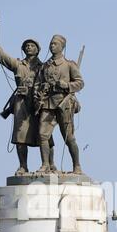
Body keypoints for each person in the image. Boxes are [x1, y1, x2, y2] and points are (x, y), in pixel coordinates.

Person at [0, 16, 56, 175]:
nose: (29, 47)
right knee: (20, 136)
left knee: (45, 134)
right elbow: (0, 55)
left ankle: (50, 164)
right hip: (22, 102)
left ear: (38, 50)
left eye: (32, 45)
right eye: (27, 46)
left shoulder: (44, 67)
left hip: (40, 102)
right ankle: (23, 166)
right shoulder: (17, 65)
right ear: (24, 49)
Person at [34, 35, 84, 174]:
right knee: (42, 135)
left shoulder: (69, 65)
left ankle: (77, 166)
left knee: (69, 138)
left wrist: (67, 85)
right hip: (47, 104)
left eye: (55, 44)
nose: (52, 46)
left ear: (62, 46)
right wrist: (38, 94)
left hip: (63, 104)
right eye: (51, 44)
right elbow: (37, 83)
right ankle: (45, 164)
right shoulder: (45, 66)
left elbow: (80, 83)